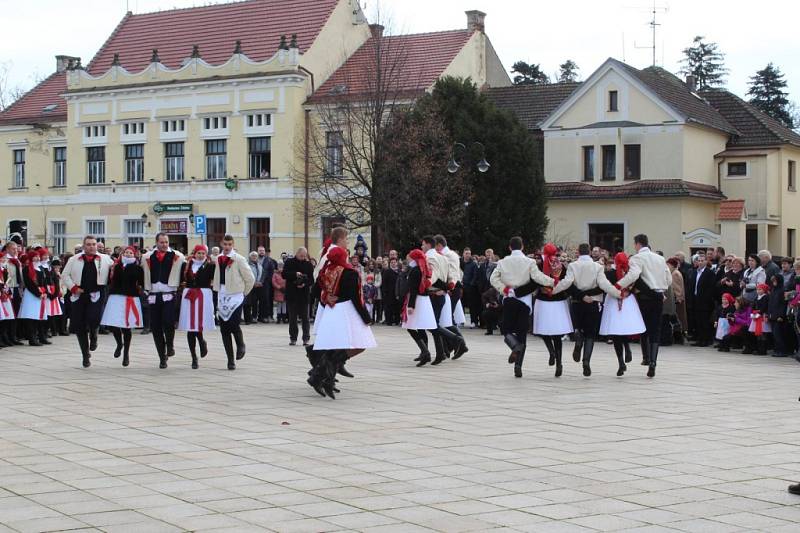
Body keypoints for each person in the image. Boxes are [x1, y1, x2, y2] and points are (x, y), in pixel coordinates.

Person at [307, 246, 375, 399]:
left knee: (336, 346)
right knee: (359, 344)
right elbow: (356, 299)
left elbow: (315, 291)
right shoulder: (350, 273)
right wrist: (366, 318)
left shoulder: (326, 271)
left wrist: (326, 297)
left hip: (332, 312)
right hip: (347, 311)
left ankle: (321, 375)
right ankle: (320, 375)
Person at [490, 237, 555, 378]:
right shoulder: (530, 262)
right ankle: (518, 366)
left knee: (505, 328)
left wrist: (505, 289)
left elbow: (493, 279)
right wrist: (553, 281)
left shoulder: (502, 262)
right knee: (522, 333)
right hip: (524, 300)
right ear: (523, 247)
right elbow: (538, 278)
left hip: (509, 297)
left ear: (509, 247)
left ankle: (514, 346)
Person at [553, 243, 618, 376]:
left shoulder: (573, 266)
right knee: (590, 334)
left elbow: (567, 283)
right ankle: (586, 361)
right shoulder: (597, 266)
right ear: (589, 252)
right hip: (592, 302)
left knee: (578, 327)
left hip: (577, 302)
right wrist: (617, 293)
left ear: (578, 252)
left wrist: (554, 290)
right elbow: (603, 284)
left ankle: (578, 339)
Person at [614, 234, 672, 378]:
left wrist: (619, 285)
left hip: (645, 297)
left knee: (642, 327)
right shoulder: (660, 258)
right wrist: (661, 288)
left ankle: (643, 357)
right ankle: (652, 362)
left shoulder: (637, 258)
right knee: (655, 330)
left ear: (637, 244)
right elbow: (669, 279)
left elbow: (633, 276)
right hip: (659, 296)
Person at [61, 235, 114, 367]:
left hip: (97, 293)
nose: (92, 247)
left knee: (94, 318)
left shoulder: (105, 258)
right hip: (79, 294)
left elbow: (116, 269)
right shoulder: (74, 259)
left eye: (94, 244)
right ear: (84, 246)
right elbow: (64, 275)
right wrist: (73, 287)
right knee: (79, 326)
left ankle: (94, 335)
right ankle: (85, 355)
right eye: (89, 244)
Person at [142, 233, 186, 369]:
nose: (164, 244)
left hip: (169, 292)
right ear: (156, 242)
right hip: (154, 293)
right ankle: (162, 357)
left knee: (168, 321)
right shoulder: (147, 257)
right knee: (155, 327)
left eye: (166, 242)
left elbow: (184, 272)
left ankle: (170, 344)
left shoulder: (177, 256)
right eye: (161, 242)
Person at [213, 235, 255, 370]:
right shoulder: (218, 259)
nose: (227, 247)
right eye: (225, 244)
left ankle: (240, 343)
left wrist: (244, 293)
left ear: (233, 245)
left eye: (229, 244)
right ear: (221, 244)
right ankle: (230, 360)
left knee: (234, 323)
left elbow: (250, 278)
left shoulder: (239, 259)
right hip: (222, 295)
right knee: (224, 328)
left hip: (236, 296)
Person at [422, 235, 465, 364]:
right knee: (436, 323)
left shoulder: (434, 256)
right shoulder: (442, 256)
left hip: (438, 292)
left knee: (435, 324)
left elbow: (437, 273)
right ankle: (442, 351)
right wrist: (448, 285)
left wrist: (433, 283)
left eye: (423, 244)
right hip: (441, 291)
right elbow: (451, 274)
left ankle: (457, 341)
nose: (422, 247)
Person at [533, 243, 574, 378]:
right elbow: (565, 281)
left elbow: (536, 280)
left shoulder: (539, 265)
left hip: (543, 300)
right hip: (558, 300)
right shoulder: (561, 265)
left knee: (542, 330)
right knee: (557, 334)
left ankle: (551, 352)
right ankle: (559, 363)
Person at [100, 246, 144, 367]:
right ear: (122, 254)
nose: (128, 254)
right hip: (116, 296)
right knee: (113, 325)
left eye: (131, 253)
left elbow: (141, 283)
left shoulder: (138, 268)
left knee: (126, 327)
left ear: (134, 255)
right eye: (126, 252)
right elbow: (110, 280)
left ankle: (126, 354)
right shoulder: (116, 266)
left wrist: (140, 291)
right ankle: (119, 344)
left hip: (130, 297)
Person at [178, 245, 216, 369]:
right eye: (199, 253)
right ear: (194, 253)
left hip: (203, 295)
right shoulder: (187, 265)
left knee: (198, 323)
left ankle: (201, 341)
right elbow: (180, 279)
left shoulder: (210, 266)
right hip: (189, 295)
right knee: (190, 326)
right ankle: (194, 357)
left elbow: (216, 279)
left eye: (203, 253)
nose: (200, 255)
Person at [401, 248, 438, 367]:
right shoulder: (423, 269)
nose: (408, 259)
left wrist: (411, 305)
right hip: (424, 300)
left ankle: (425, 352)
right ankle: (424, 352)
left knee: (410, 327)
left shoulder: (415, 270)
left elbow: (413, 290)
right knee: (420, 328)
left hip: (417, 300)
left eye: (410, 257)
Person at [435, 235, 469, 359]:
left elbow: (453, 274)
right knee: (445, 320)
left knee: (447, 320)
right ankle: (449, 348)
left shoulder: (448, 255)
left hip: (452, 289)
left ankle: (460, 344)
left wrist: (447, 288)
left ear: (439, 245)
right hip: (450, 289)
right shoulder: (449, 254)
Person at [282, 247, 314, 346]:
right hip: (292, 294)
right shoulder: (289, 262)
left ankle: (306, 338)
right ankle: (293, 338)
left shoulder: (308, 264)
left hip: (304, 295)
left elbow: (311, 280)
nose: (303, 257)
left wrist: (304, 284)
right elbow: (284, 274)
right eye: (301, 256)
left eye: (304, 256)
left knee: (305, 318)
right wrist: (295, 274)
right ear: (297, 254)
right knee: (292, 318)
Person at [18, 251, 50, 346]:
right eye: (35, 257)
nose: (37, 258)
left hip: (41, 294)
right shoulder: (27, 269)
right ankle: (32, 339)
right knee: (31, 318)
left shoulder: (40, 268)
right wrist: (38, 293)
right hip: (32, 295)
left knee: (40, 317)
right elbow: (29, 284)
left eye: (38, 257)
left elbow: (44, 282)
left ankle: (41, 337)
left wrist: (45, 292)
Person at [689, 254, 717, 347]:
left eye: (702, 260)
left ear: (706, 262)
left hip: (705, 301)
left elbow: (711, 288)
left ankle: (706, 339)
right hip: (696, 299)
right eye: (699, 261)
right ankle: (700, 339)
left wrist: (706, 299)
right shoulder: (694, 272)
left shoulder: (709, 273)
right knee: (698, 320)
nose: (700, 262)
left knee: (704, 321)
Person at [749, 283, 771, 355]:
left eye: (760, 289)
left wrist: (759, 312)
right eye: (757, 289)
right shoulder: (757, 297)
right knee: (757, 334)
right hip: (756, 316)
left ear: (764, 290)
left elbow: (765, 306)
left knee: (763, 333)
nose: (758, 291)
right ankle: (759, 349)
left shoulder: (766, 297)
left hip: (762, 316)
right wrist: (753, 312)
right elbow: (753, 305)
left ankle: (763, 350)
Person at [257, 246, 276, 323]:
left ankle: (266, 316)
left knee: (266, 300)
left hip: (266, 284)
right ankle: (258, 316)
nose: (261, 252)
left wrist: (264, 281)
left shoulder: (269, 261)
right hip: (255, 283)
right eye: (260, 250)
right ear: (258, 251)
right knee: (256, 301)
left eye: (263, 250)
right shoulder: (255, 259)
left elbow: (271, 272)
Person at [244, 252, 263, 325]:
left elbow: (262, 274)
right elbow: (246, 275)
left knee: (255, 303)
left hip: (257, 287)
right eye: (253, 256)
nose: (254, 257)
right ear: (250, 257)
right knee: (247, 303)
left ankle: (254, 317)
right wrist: (253, 283)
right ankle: (247, 319)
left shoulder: (259, 265)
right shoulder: (247, 265)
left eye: (255, 256)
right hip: (249, 286)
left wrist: (260, 282)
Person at [381, 257, 400, 325]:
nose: (393, 264)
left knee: (397, 307)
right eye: (392, 263)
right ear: (390, 264)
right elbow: (384, 283)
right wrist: (385, 293)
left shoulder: (399, 271)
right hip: (389, 293)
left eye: (394, 262)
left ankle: (397, 321)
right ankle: (389, 321)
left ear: (397, 263)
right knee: (389, 307)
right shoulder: (387, 271)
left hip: (397, 292)